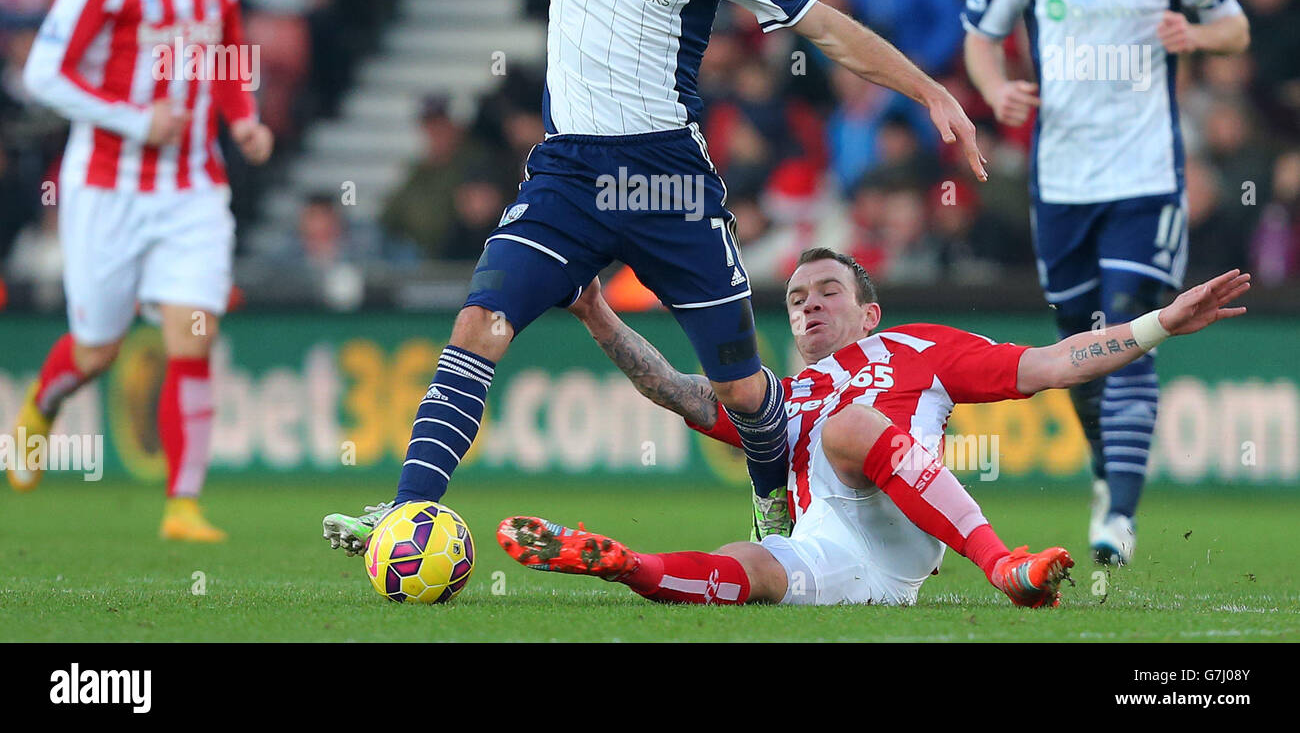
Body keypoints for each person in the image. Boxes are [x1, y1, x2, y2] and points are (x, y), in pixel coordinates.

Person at [323, 0, 986, 554]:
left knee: (740, 386)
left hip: (666, 180)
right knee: (480, 322)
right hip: (567, 172)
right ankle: (405, 514)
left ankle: (774, 499)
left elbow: (823, 27)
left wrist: (930, 88)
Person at [498, 250, 1250, 607]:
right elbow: (676, 390)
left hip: (901, 515)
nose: (809, 305)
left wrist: (1159, 323)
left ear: (869, 313)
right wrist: (596, 310)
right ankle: (628, 563)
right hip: (844, 554)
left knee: (850, 426)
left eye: (828, 290)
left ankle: (1001, 565)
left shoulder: (916, 347)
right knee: (752, 564)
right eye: (795, 299)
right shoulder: (783, 396)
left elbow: (1056, 362)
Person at [961, 0, 1250, 566]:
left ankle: (1118, 512)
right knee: (1082, 349)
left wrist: (1198, 32)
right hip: (1060, 181)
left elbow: (1237, 24)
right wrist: (994, 91)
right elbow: (979, 35)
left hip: (1147, 175)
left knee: (1132, 323)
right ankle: (1106, 471)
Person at [6, 0, 274, 542]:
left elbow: (227, 58)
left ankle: (182, 505)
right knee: (97, 348)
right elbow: (41, 74)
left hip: (193, 189)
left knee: (194, 334)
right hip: (106, 187)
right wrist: (128, 117)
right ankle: (41, 406)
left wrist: (243, 118)